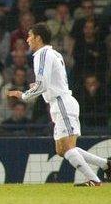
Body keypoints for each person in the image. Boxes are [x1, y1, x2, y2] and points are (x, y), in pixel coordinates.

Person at [7, 23, 111, 186]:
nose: (27, 40)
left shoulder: (42, 54)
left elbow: (43, 85)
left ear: (38, 38)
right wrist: (36, 86)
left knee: (68, 148)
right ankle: (106, 164)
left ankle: (94, 180)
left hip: (62, 103)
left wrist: (24, 95)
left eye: (30, 36)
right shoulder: (54, 53)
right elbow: (49, 81)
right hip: (60, 103)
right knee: (61, 150)